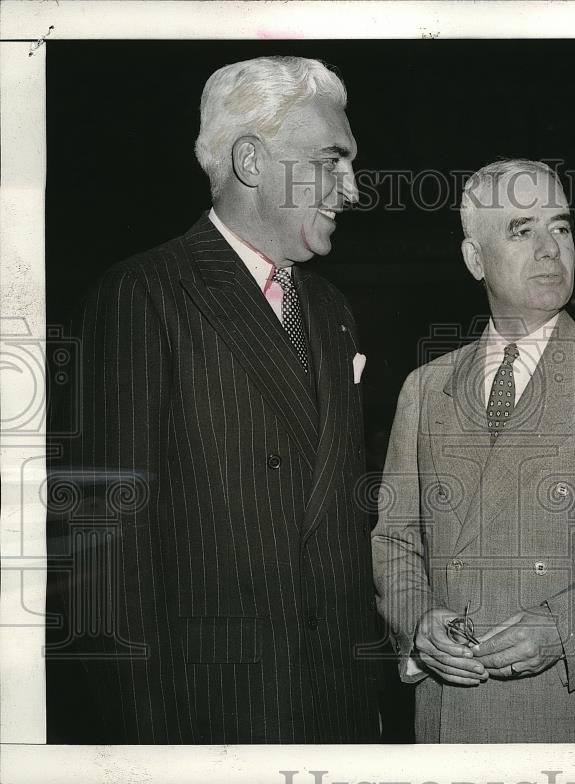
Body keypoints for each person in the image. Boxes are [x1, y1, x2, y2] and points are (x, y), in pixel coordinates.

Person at [47, 56, 380, 743]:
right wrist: (153, 746)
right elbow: (105, 551)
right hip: (213, 715)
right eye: (331, 160)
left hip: (334, 709)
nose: (352, 188)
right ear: (252, 161)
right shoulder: (142, 295)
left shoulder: (332, 309)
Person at [371, 159, 575, 742]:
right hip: (455, 724)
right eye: (522, 230)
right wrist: (418, 621)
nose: (551, 248)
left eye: (562, 227)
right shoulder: (424, 390)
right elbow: (396, 539)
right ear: (475, 258)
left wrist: (564, 629)